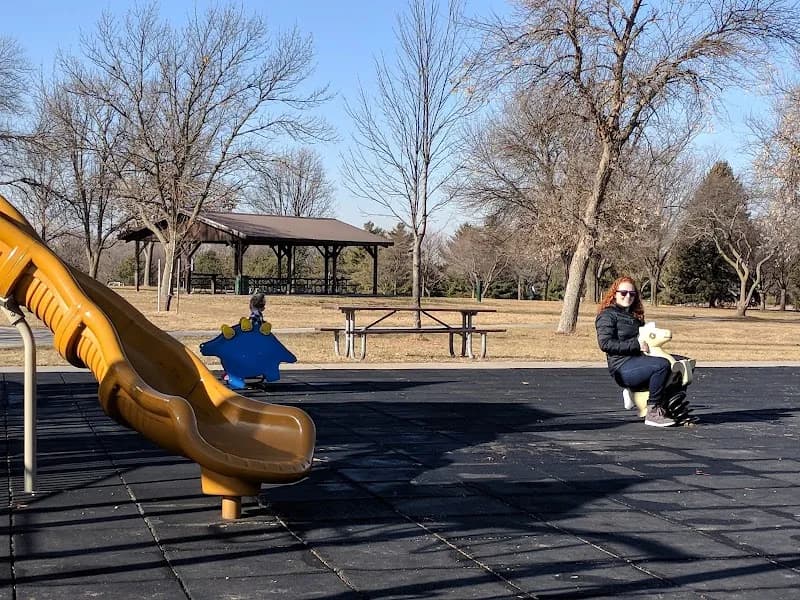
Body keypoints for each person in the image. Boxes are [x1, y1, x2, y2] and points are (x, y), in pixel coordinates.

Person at [595, 276, 676, 427]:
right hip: (621, 366)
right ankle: (652, 412)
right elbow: (605, 344)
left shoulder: (634, 315)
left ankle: (665, 404)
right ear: (614, 294)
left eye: (632, 294)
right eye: (623, 293)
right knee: (662, 365)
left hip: (637, 360)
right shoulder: (607, 315)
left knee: (677, 363)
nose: (628, 296)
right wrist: (636, 345)